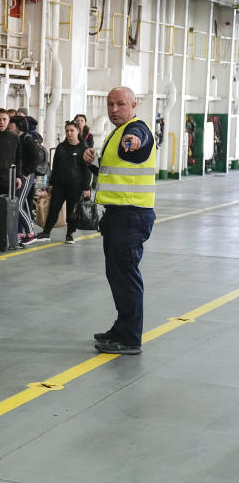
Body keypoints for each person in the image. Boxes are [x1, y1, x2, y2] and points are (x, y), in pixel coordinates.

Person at [83, 87, 156, 356]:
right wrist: (92, 161)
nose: (114, 109)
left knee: (125, 277)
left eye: (120, 104)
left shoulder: (137, 130)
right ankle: (121, 328)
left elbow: (137, 143)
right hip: (117, 214)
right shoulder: (116, 133)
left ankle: (130, 338)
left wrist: (133, 142)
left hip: (131, 215)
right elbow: (115, 171)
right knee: (117, 275)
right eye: (110, 104)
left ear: (133, 105)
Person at [36, 121, 92, 244]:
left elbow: (87, 170)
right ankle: (46, 232)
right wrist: (50, 184)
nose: (69, 133)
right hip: (60, 185)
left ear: (78, 131)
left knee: (72, 211)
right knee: (54, 208)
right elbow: (55, 167)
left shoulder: (84, 148)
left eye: (72, 130)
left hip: (76, 186)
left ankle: (69, 234)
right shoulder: (61, 147)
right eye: (67, 131)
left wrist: (86, 187)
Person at [8, 115, 45, 245]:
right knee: (22, 203)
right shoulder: (18, 139)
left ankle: (30, 233)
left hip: (26, 176)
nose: (8, 126)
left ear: (18, 126)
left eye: (11, 124)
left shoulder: (27, 140)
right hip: (21, 175)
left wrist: (24, 173)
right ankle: (23, 231)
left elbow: (36, 158)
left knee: (17, 204)